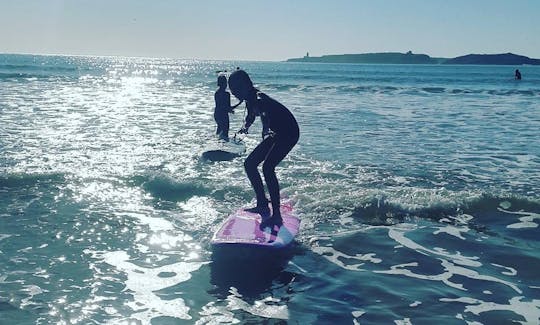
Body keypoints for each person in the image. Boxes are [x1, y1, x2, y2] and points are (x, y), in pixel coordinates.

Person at [228, 70, 300, 229]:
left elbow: (265, 113)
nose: (235, 94)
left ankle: (277, 215)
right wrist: (245, 127)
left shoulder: (259, 98)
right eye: (233, 91)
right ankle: (262, 203)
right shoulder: (249, 98)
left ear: (247, 85)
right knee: (250, 164)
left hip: (289, 132)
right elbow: (252, 115)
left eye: (238, 89)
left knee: (268, 168)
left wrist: (265, 129)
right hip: (277, 133)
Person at [214, 74, 242, 141]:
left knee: (219, 132)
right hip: (223, 116)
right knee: (225, 133)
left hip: (217, 114)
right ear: (225, 83)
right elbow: (228, 108)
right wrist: (239, 103)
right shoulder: (226, 94)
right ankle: (223, 148)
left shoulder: (216, 93)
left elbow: (220, 106)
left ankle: (215, 145)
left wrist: (229, 110)